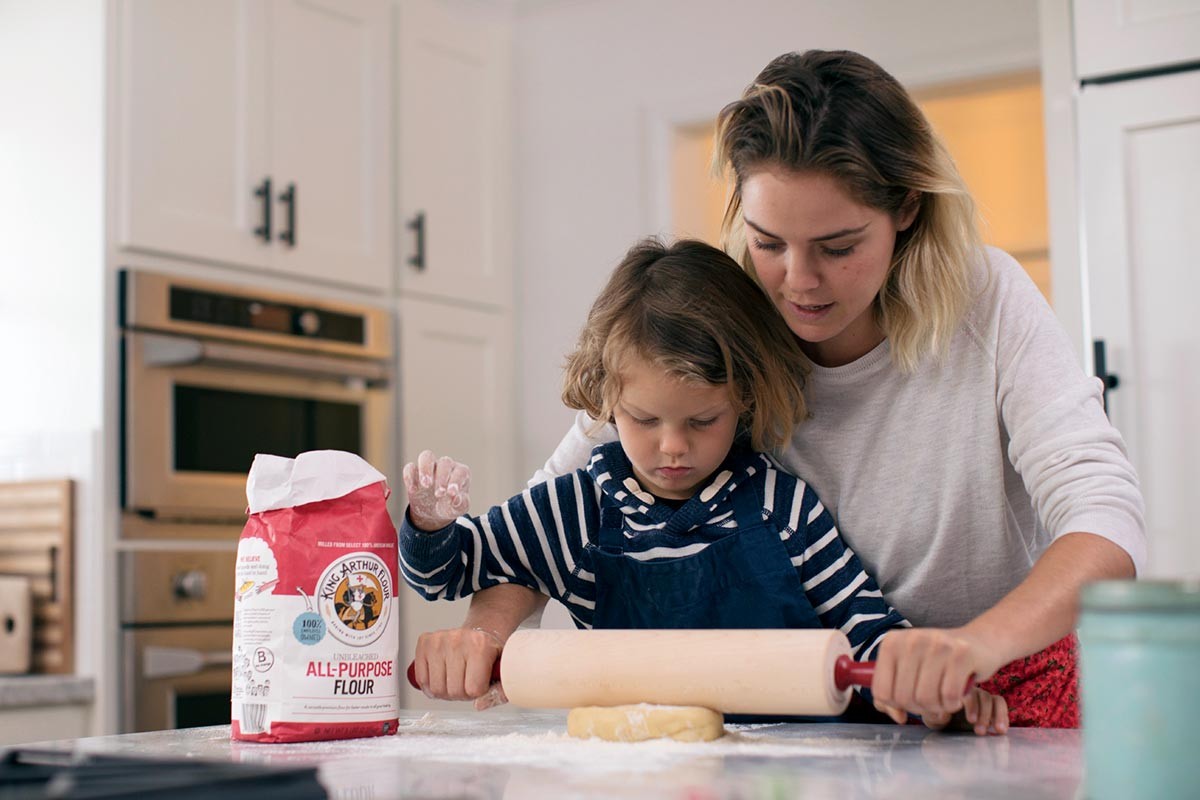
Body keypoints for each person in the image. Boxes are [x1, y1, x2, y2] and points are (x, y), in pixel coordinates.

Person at [460, 49, 1144, 729]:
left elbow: (1104, 522)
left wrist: (970, 647)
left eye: (838, 246)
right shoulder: (712, 314)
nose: (798, 280)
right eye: (768, 241)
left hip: (992, 688)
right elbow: (548, 515)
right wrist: (484, 634)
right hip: (801, 710)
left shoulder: (986, 301)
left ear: (906, 208)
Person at [403, 238, 1009, 735]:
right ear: (607, 402)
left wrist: (934, 688)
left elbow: (866, 630)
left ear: (743, 399)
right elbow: (452, 569)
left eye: (702, 421)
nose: (673, 446)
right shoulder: (575, 513)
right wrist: (430, 525)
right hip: (633, 777)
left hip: (793, 775)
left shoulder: (782, 507)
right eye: (644, 420)